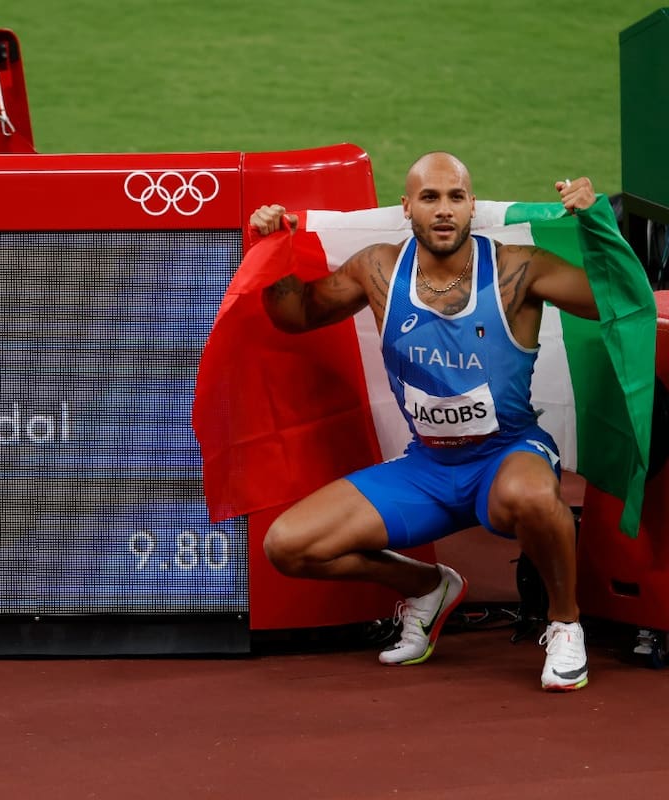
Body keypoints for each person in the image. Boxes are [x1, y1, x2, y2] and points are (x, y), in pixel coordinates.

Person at [248, 151, 597, 691]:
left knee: (531, 497)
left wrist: (595, 223)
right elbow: (297, 315)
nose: (444, 209)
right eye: (430, 197)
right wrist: (273, 248)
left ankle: (565, 624)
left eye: (455, 197)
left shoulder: (519, 268)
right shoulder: (379, 269)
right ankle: (428, 587)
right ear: (407, 207)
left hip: (505, 455)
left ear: (472, 205)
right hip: (428, 469)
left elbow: (611, 301)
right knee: (289, 545)